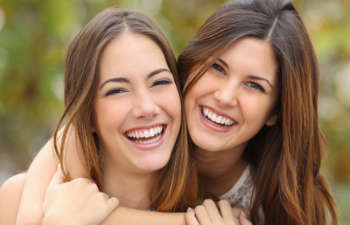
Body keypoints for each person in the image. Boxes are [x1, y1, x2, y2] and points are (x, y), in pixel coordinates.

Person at [1, 0, 338, 225]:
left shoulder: (265, 203)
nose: (224, 96)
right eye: (218, 68)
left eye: (254, 85)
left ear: (275, 112)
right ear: (188, 68)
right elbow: (73, 130)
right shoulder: (158, 116)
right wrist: (35, 210)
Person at [0, 7, 199, 225]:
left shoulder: (211, 208)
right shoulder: (19, 201)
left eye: (159, 82)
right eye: (117, 90)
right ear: (87, 114)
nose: (147, 107)